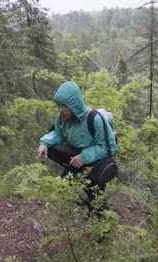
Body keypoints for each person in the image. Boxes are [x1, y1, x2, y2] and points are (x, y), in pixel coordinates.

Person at [37, 81, 117, 213]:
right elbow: (58, 133)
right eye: (59, 105)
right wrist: (44, 142)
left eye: (65, 106)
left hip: (95, 162)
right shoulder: (62, 117)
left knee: (95, 196)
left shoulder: (95, 119)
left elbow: (109, 148)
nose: (61, 109)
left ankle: (103, 227)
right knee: (64, 187)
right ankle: (68, 217)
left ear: (75, 105)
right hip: (75, 159)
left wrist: (84, 157)